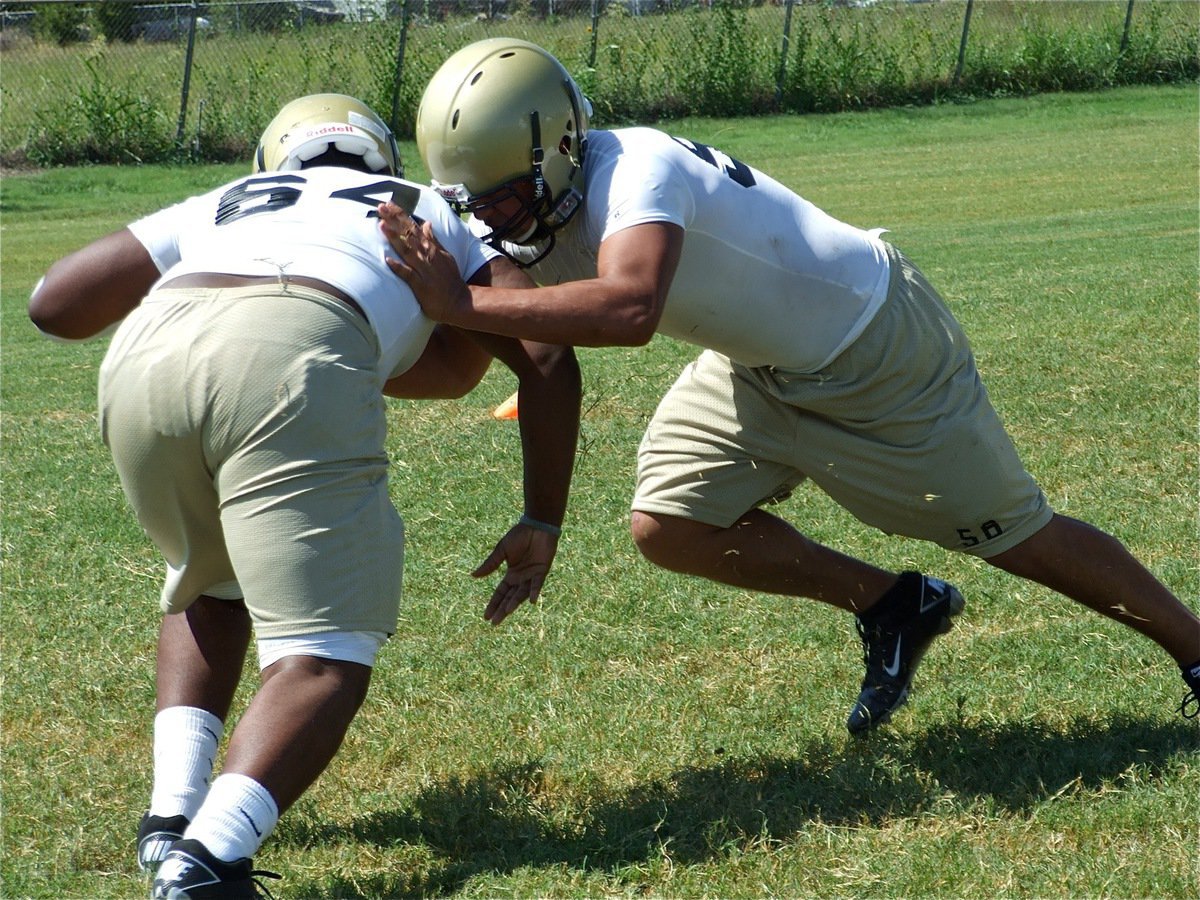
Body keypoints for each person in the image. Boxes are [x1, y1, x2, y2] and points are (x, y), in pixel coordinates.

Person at [378, 38, 1200, 735]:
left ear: (558, 146)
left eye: (509, 197)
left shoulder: (640, 166)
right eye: (475, 206)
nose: (497, 221)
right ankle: (893, 606)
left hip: (874, 346)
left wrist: (457, 296)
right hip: (757, 366)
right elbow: (525, 355)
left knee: (1018, 536)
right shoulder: (528, 212)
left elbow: (629, 307)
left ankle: (1194, 647)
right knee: (670, 523)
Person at [28, 93, 581, 898]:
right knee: (325, 652)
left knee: (207, 586)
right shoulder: (419, 206)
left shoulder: (227, 202)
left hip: (147, 355)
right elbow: (544, 349)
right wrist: (543, 514)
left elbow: (54, 304)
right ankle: (208, 863)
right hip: (297, 344)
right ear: (382, 160)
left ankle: (169, 821)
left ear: (271, 162)